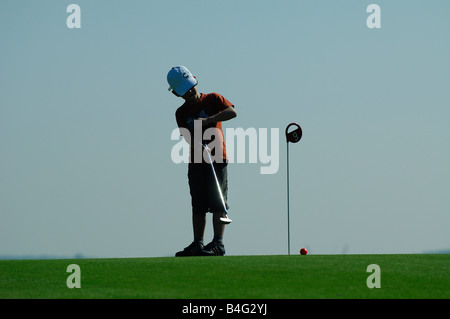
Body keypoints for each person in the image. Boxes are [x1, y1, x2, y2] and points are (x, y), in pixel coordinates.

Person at [167, 66, 237, 256]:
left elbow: (231, 112)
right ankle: (198, 243)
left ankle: (218, 244)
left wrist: (207, 121)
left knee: (218, 202)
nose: (190, 92)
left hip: (218, 158)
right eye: (184, 90)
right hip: (197, 161)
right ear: (175, 93)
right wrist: (197, 139)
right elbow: (186, 137)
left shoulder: (213, 99)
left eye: (191, 87)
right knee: (198, 204)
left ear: (195, 80)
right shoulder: (180, 113)